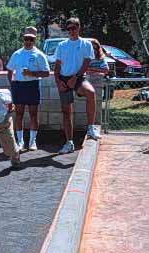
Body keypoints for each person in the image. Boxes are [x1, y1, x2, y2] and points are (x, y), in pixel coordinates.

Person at [54, 18, 100, 154]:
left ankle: (91, 128)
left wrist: (75, 78)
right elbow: (57, 65)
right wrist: (58, 82)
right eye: (68, 29)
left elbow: (86, 64)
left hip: (78, 77)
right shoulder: (62, 45)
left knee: (91, 93)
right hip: (63, 78)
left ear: (79, 28)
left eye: (73, 28)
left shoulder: (86, 44)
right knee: (67, 112)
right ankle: (69, 143)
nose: (71, 31)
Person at [7, 26, 50, 152]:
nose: (28, 41)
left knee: (33, 114)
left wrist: (32, 73)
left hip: (32, 85)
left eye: (31, 39)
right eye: (26, 39)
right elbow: (9, 69)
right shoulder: (17, 54)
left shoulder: (39, 54)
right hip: (19, 86)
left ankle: (32, 142)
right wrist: (12, 83)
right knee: (19, 114)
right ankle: (20, 142)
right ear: (23, 39)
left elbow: (46, 73)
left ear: (34, 40)